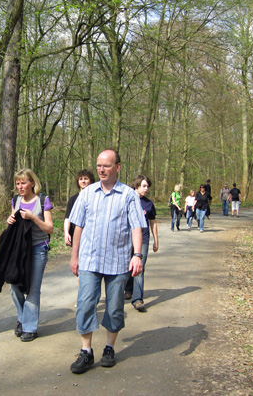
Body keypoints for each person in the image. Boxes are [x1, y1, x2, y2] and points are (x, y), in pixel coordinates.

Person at [68, 149, 147, 374]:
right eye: (99, 166)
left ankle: (109, 347)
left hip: (118, 261)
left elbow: (136, 227)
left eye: (107, 166)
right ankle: (86, 351)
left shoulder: (129, 195)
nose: (101, 170)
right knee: (85, 305)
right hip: (89, 261)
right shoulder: (87, 193)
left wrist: (137, 255)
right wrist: (74, 257)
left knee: (113, 309)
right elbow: (78, 227)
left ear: (118, 167)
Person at [6, 169, 54, 342]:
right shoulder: (16, 200)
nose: (20, 187)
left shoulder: (42, 200)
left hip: (38, 249)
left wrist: (33, 217)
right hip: (19, 251)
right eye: (18, 183)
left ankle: (30, 327)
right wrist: (10, 220)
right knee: (14, 285)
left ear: (33, 183)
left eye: (24, 183)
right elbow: (13, 220)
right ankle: (22, 318)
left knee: (33, 289)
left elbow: (49, 228)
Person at [124, 175, 159, 312]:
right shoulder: (127, 199)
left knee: (139, 268)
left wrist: (156, 240)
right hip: (127, 238)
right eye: (144, 186)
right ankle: (128, 289)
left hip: (143, 239)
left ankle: (138, 299)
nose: (146, 189)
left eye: (148, 186)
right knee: (127, 266)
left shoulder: (149, 204)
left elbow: (153, 222)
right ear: (137, 185)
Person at [64, 170, 95, 246]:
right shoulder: (73, 199)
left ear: (91, 181)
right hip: (76, 236)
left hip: (92, 237)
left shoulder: (96, 198)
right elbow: (68, 218)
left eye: (86, 179)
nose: (83, 181)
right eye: (81, 179)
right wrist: (66, 233)